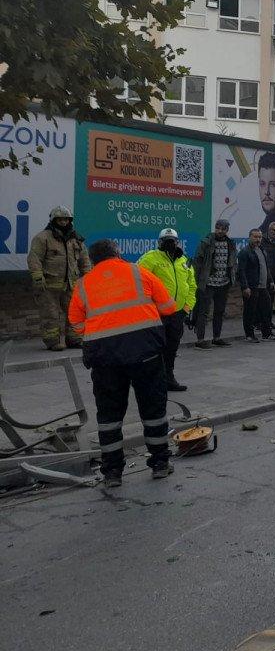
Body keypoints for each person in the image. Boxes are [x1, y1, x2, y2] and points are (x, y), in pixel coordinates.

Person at [67, 239, 177, 487]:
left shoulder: (83, 284)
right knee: (153, 411)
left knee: (109, 416)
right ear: (118, 253)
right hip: (145, 353)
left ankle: (112, 472)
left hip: (105, 360)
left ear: (93, 260)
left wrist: (100, 333)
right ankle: (160, 463)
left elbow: (75, 322)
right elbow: (169, 307)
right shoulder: (140, 273)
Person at [136, 228, 196, 391]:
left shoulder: (184, 260)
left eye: (173, 240)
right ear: (160, 242)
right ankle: (151, 381)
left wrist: (186, 307)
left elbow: (191, 286)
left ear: (178, 242)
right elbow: (138, 283)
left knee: (171, 348)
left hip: (177, 314)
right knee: (154, 349)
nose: (170, 243)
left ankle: (169, 378)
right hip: (157, 314)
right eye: (166, 240)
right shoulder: (150, 258)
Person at [27, 206, 91, 350]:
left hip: (71, 285)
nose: (63, 222)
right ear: (53, 220)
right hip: (48, 286)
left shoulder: (76, 239)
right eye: (60, 219)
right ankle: (53, 342)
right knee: (51, 314)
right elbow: (34, 258)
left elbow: (84, 260)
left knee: (74, 313)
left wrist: (88, 276)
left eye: (66, 219)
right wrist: (37, 276)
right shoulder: (42, 238)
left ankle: (74, 339)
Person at [191, 219, 237, 349]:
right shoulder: (206, 242)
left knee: (220, 311)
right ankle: (200, 340)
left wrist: (232, 277)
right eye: (218, 228)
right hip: (208, 283)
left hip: (224, 283)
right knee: (203, 312)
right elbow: (198, 262)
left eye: (223, 229)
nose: (220, 231)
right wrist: (197, 281)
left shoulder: (230, 243)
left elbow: (233, 262)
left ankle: (217, 338)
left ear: (227, 230)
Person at [237, 228, 275, 343]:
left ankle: (267, 334)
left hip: (263, 287)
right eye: (255, 237)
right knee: (250, 311)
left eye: (259, 237)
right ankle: (249, 335)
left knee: (267, 309)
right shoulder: (245, 252)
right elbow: (241, 271)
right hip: (251, 287)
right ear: (249, 237)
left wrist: (271, 281)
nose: (258, 239)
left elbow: (265, 268)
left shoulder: (262, 250)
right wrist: (245, 287)